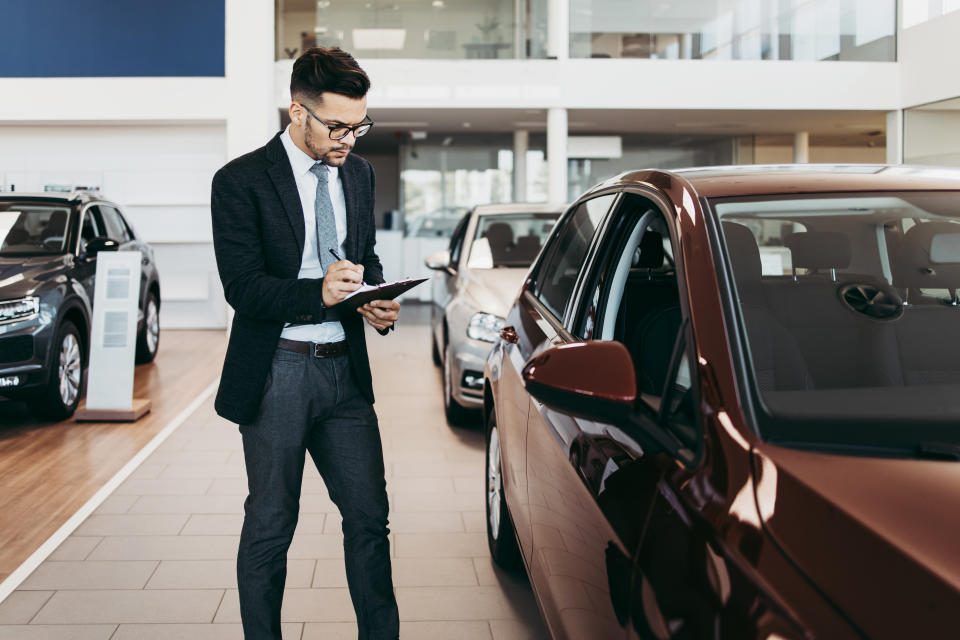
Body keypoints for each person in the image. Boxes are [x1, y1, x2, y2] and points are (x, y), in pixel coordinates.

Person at [210, 47, 400, 640]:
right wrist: (318, 292)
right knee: (271, 523)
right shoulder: (240, 180)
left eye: (359, 125)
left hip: (345, 373)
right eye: (337, 126)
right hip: (277, 372)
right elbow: (243, 289)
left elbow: (362, 258)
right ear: (297, 112)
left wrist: (374, 297)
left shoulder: (360, 175)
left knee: (370, 519)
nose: (349, 138)